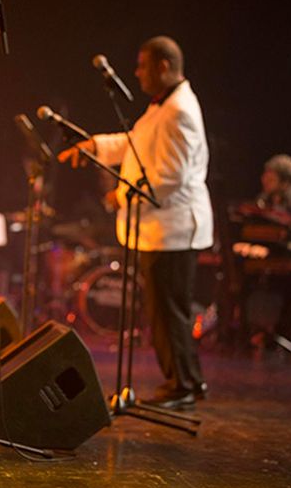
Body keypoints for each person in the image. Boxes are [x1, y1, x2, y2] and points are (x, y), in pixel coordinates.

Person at [59, 36, 213, 410]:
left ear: (163, 66)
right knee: (164, 310)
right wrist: (94, 146)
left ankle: (185, 385)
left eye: (143, 65)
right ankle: (185, 381)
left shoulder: (179, 111)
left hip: (174, 231)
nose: (136, 72)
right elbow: (134, 144)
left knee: (169, 311)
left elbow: (171, 177)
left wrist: (120, 196)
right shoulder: (164, 107)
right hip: (160, 230)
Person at [252, 154, 291, 349]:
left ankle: (283, 332)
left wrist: (279, 231)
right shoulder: (262, 200)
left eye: (270, 176)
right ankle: (239, 332)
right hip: (266, 256)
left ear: (284, 180)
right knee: (234, 277)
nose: (264, 179)